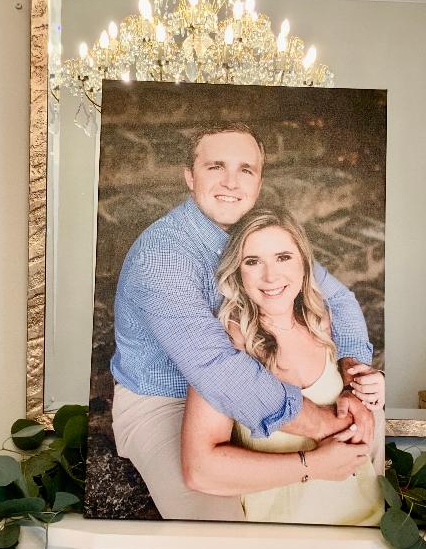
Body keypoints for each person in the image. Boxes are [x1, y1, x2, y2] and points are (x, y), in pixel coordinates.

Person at [110, 121, 385, 520]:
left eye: (245, 170)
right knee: (220, 529)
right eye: (215, 167)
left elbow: (338, 298)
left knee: (368, 436)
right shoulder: (162, 257)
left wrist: (353, 374)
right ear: (189, 177)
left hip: (254, 379)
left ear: (258, 181)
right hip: (166, 400)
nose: (231, 182)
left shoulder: (256, 230)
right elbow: (217, 369)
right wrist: (325, 424)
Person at [180, 206, 384, 525]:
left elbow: (357, 413)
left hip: (367, 519)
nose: (271, 276)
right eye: (252, 261)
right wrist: (313, 465)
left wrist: (367, 389)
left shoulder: (321, 322)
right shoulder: (226, 347)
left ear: (304, 262)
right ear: (237, 272)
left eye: (283, 257)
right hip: (288, 533)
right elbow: (200, 471)